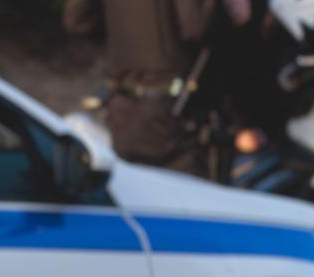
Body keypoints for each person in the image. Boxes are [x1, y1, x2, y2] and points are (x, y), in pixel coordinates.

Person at [63, 0, 254, 177]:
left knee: (135, 192)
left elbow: (78, 20)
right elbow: (197, 26)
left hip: (124, 109)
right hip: (178, 119)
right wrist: (230, 12)